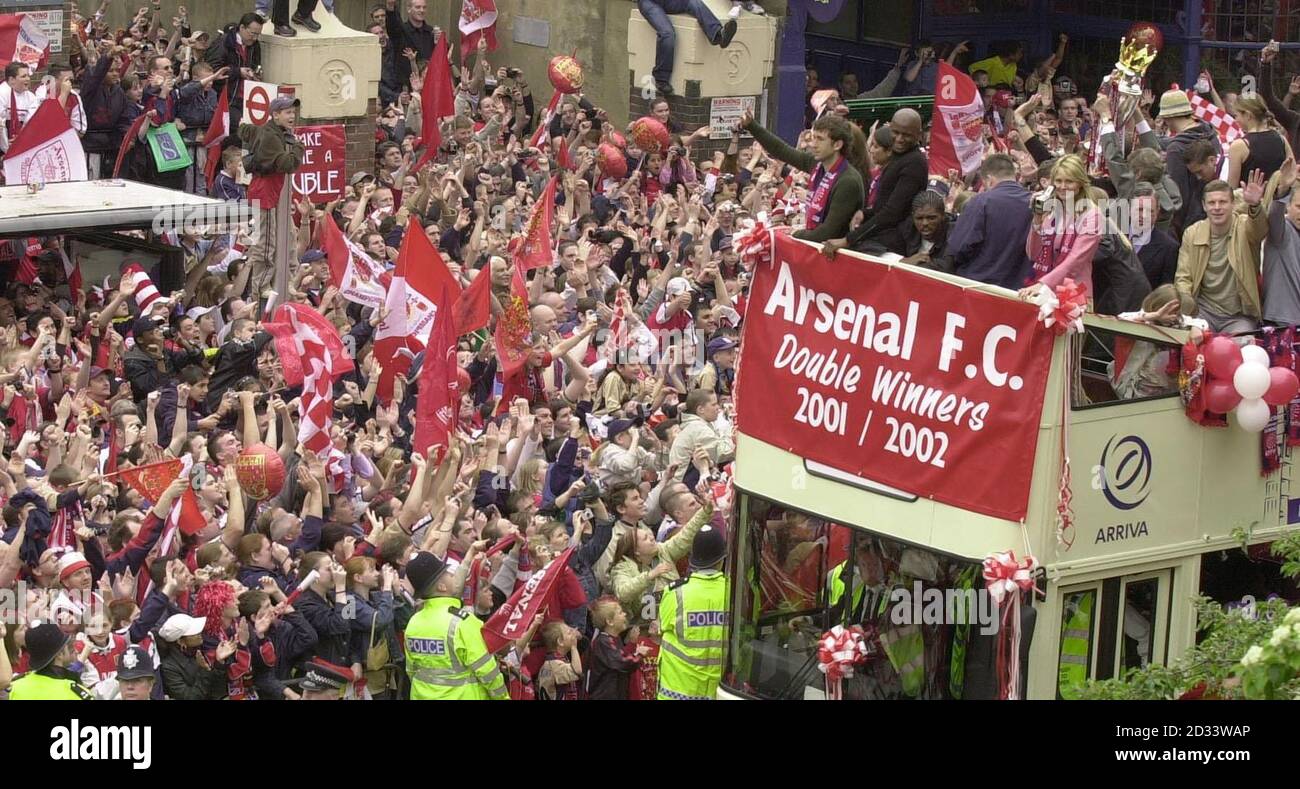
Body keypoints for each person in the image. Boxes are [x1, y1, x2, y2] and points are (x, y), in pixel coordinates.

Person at [739, 109, 867, 243]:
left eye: (820, 139)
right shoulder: (817, 164)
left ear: (837, 145)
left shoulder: (848, 181)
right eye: (813, 138)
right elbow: (781, 150)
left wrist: (794, 233)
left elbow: (828, 232)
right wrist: (751, 126)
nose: (813, 144)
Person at [1175, 171, 1278, 334]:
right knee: (1192, 345)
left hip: (1240, 315)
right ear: (1204, 206)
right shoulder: (1192, 233)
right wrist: (1187, 311)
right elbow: (1183, 277)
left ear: (1232, 204)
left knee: (1241, 348)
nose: (1217, 207)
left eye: (1222, 202)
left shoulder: (1244, 226)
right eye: (1212, 202)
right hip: (1202, 312)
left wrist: (1255, 206)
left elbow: (1259, 230)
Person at [403, 550, 507, 699]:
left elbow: (412, 670)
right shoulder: (462, 621)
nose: (453, 575)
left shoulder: (414, 621)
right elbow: (487, 671)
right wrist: (503, 697)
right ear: (442, 587)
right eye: (449, 574)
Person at [830, 109, 928, 256]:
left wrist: (848, 240)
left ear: (919, 135)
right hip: (883, 236)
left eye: (907, 135)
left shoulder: (915, 163)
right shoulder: (899, 156)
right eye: (896, 132)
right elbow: (883, 205)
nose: (900, 139)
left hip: (893, 244)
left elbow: (893, 213)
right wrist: (865, 213)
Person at [926, 153, 1033, 289]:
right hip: (1018, 290)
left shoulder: (981, 201)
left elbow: (959, 247)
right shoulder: (1034, 203)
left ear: (989, 180)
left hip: (977, 286)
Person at [240, 94, 306, 300]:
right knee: (266, 243)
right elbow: (287, 164)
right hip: (265, 193)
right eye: (288, 112)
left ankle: (288, 280)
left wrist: (242, 126)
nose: (292, 116)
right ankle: (261, 288)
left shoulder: (270, 130)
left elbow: (247, 131)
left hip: (273, 194)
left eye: (293, 112)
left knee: (288, 237)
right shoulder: (270, 136)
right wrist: (298, 146)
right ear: (275, 115)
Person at [656, 523, 728, 700]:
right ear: (722, 559)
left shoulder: (675, 592)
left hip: (677, 692)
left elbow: (661, 630)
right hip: (721, 691)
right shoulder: (735, 593)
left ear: (693, 558)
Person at [1021, 154, 1102, 302]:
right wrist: (1037, 218)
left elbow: (1075, 260)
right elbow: (1033, 254)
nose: (1063, 187)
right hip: (1042, 291)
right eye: (1058, 181)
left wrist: (1043, 285)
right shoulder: (1050, 209)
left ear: (1080, 183)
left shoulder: (1092, 215)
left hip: (1072, 296)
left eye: (1069, 181)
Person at [637, 0, 738, 97]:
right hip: (649, 2)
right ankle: (661, 79)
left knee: (695, 3)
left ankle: (718, 35)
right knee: (667, 34)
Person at [1157, 87, 1222, 237]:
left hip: (1190, 225)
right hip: (1215, 214)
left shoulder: (1175, 149)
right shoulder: (1211, 134)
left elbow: (1179, 195)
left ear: (1167, 118)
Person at [6, 622, 92, 700]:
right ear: (59, 655)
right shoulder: (75, 694)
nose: (75, 651)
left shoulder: (15, 687)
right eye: (70, 648)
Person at [1263, 155, 1300, 326]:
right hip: (1283, 320)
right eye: (1298, 207)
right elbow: (1274, 214)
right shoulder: (1281, 230)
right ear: (1289, 206)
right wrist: (1283, 189)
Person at [1226, 95, 1287, 190]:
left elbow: (1231, 188)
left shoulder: (1239, 145)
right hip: (1278, 201)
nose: (1235, 120)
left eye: (1236, 116)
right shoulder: (1281, 138)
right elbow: (1291, 172)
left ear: (1248, 115)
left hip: (1248, 202)